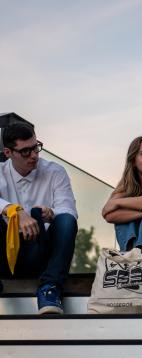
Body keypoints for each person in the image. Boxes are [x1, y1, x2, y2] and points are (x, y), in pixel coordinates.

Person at [0, 124, 78, 314]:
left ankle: (50, 288)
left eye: (36, 147)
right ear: (8, 152)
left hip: (42, 252)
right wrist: (13, 210)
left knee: (66, 219)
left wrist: (52, 213)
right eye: (26, 151)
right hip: (5, 254)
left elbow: (69, 210)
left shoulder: (55, 171)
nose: (34, 155)